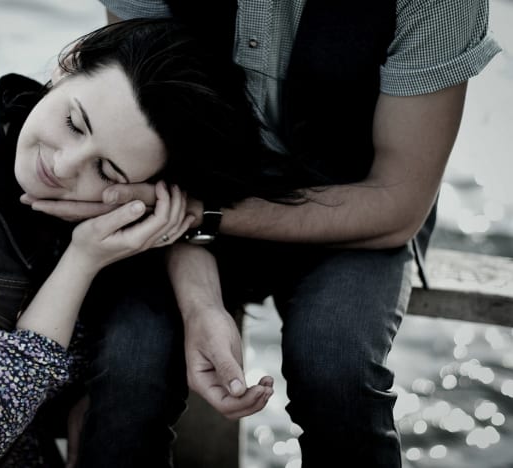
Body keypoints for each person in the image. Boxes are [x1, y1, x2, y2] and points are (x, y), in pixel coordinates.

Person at [26, 1, 502, 466]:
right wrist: (202, 301)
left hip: (356, 210)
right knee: (131, 361)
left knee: (335, 364)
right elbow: (143, 158)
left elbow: (396, 205)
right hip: (181, 198)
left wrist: (205, 215)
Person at [0, 18, 302, 467]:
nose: (64, 166)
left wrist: (199, 301)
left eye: (106, 169)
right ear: (66, 69)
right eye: (74, 123)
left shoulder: (110, 211)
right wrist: (82, 259)